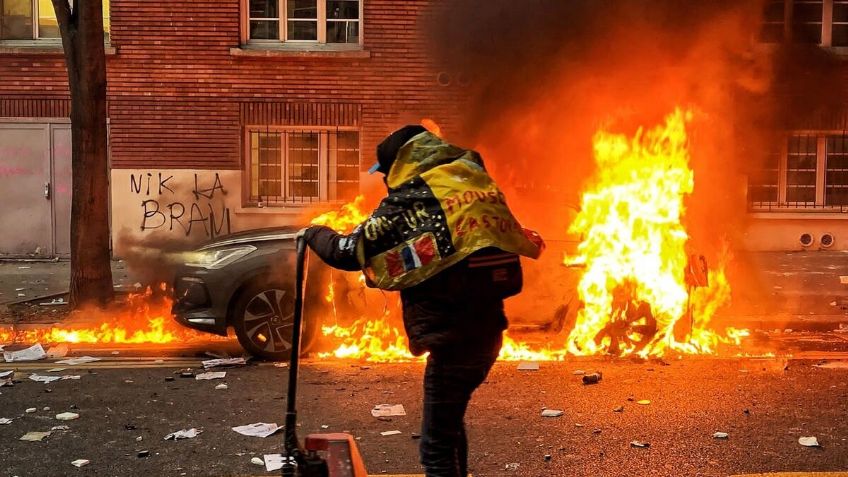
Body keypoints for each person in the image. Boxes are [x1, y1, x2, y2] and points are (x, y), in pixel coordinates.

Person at [302, 125, 543, 477]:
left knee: (435, 449)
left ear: (399, 164)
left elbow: (348, 252)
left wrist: (314, 233)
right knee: (449, 426)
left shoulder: (413, 198)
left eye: (385, 172)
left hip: (453, 338)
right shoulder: (469, 183)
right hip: (487, 331)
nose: (385, 179)